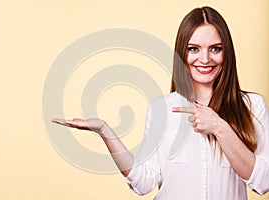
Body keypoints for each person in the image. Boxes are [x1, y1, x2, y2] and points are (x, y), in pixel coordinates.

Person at [52, 6, 269, 200]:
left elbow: (263, 183)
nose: (205, 59)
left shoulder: (253, 107)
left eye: (215, 48)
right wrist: (105, 132)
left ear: (226, 53)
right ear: (181, 52)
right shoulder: (161, 109)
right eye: (194, 49)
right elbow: (143, 182)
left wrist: (220, 127)